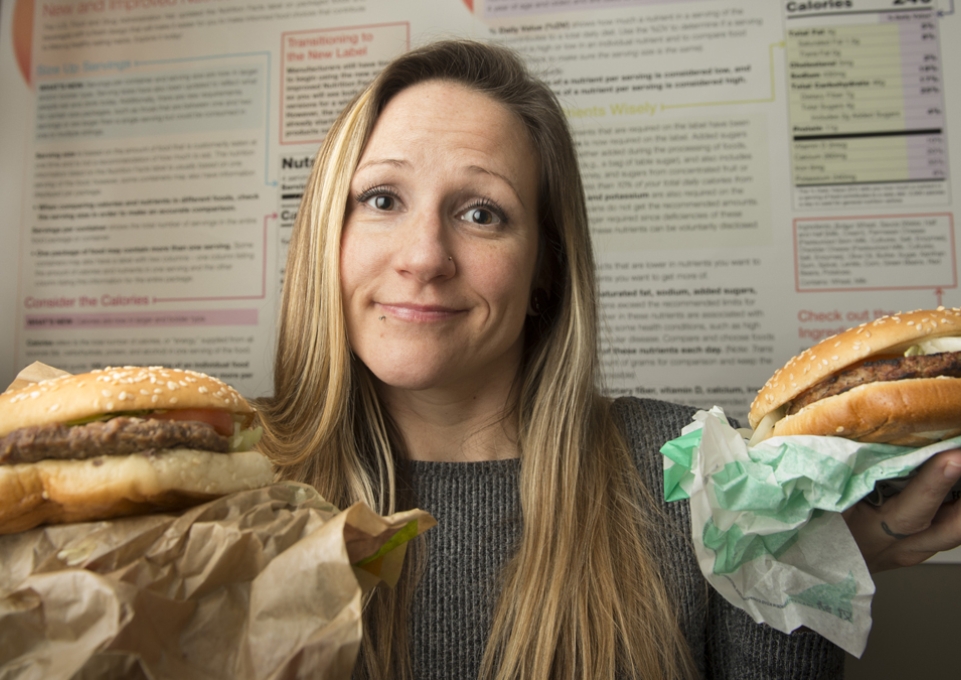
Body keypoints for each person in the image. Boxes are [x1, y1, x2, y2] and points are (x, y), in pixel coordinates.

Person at [254, 40, 961, 679]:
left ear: (545, 270)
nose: (423, 259)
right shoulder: (225, 487)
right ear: (326, 234)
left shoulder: (695, 471)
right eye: (381, 199)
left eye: (481, 214)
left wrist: (799, 577)